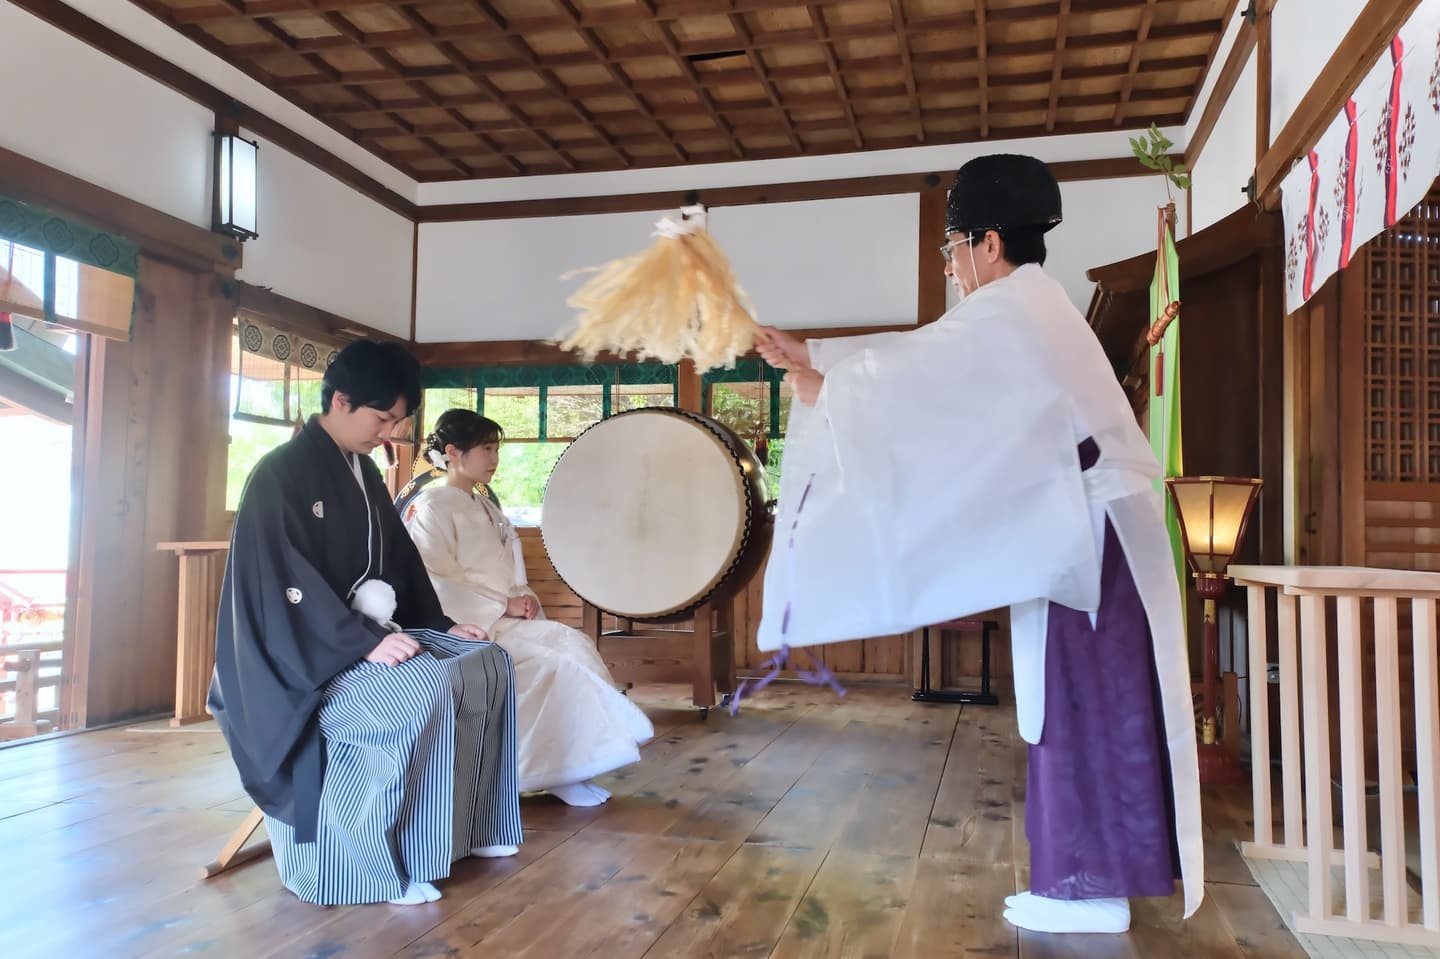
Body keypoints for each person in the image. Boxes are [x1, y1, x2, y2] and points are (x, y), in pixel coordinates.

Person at [753, 154, 1202, 935]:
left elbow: (921, 379)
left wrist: (824, 381)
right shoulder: (1032, 304)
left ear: (989, 243)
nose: (950, 266)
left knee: (1081, 699)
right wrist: (818, 361)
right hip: (1089, 527)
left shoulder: (1013, 308)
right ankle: (1093, 877)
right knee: (1085, 699)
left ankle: (1089, 886)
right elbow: (929, 367)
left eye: (953, 248)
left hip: (1092, 536)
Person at [208, 340, 524, 907]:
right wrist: (358, 643)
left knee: (487, 664)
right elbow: (285, 582)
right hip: (294, 660)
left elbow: (399, 559)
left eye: (397, 422)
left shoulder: (364, 472)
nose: (389, 433)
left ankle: (460, 833)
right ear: (340, 400)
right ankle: (370, 866)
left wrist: (439, 624)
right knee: (417, 689)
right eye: (382, 418)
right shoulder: (279, 474)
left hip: (359, 635)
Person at [402, 409, 654, 807]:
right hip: (470, 625)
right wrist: (502, 604)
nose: (494, 458)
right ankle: (543, 771)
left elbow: (513, 574)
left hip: (507, 619)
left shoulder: (487, 507)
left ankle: (573, 766)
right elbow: (435, 579)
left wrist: (524, 601)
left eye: (496, 449)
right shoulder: (431, 506)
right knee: (554, 664)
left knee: (574, 644)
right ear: (452, 452)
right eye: (485, 449)